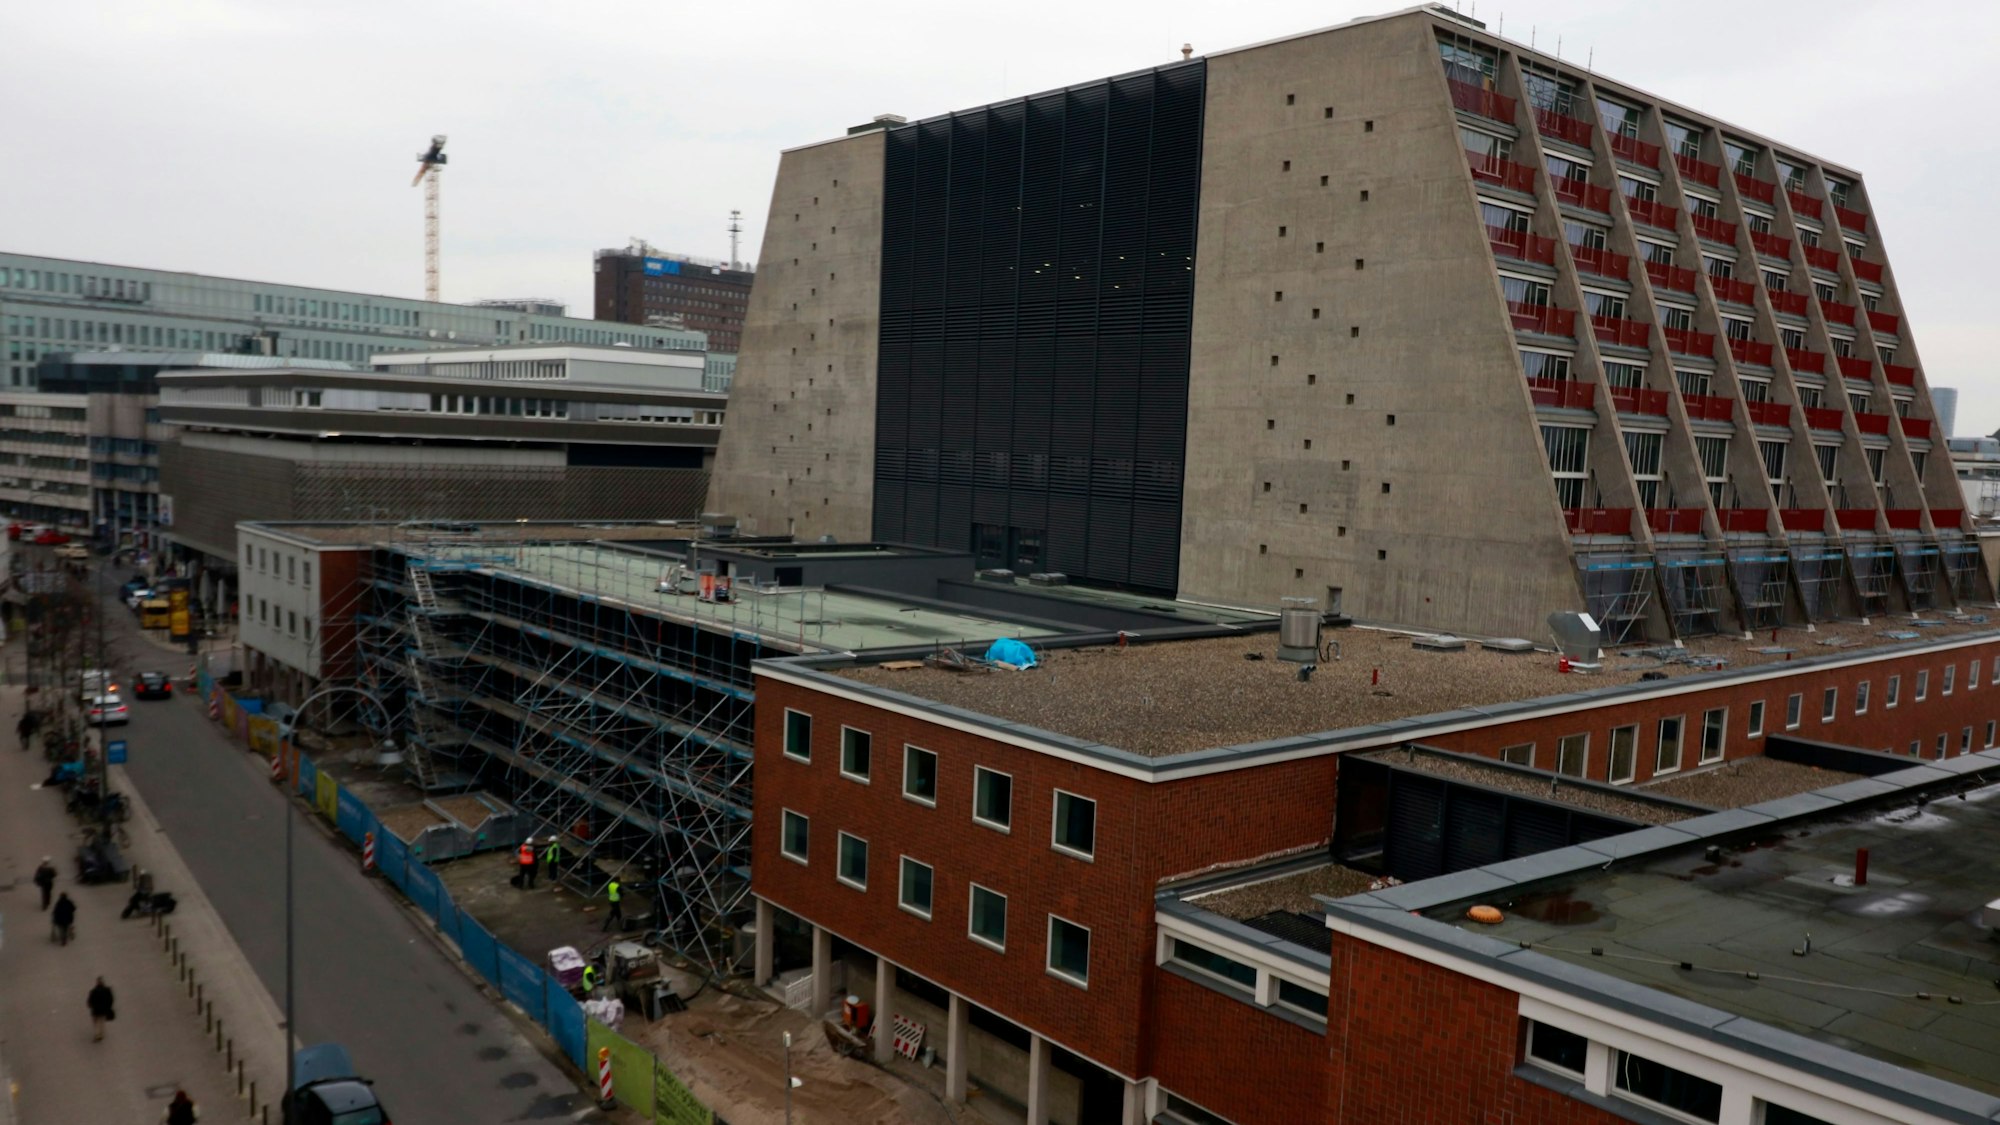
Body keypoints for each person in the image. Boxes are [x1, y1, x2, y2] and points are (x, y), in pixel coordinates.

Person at [87, 977, 115, 1041]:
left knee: (96, 1023)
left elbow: (90, 1000)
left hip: (96, 1010)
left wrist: (91, 1006)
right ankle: (101, 1034)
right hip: (104, 1010)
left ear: (97, 983)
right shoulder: (107, 990)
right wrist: (109, 1007)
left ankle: (97, 1035)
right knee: (101, 1022)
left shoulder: (94, 991)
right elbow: (111, 1000)